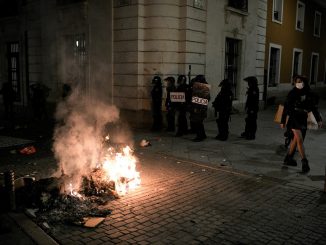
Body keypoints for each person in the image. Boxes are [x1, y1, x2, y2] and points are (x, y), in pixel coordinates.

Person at [280, 75, 322, 173]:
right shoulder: (292, 93)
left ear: (304, 82)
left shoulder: (308, 93)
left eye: (300, 81)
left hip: (303, 118)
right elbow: (286, 107)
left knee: (296, 140)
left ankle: (288, 158)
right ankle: (305, 162)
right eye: (297, 81)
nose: (298, 83)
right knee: (299, 140)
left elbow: (313, 107)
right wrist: (283, 121)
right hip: (294, 118)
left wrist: (318, 119)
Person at [190, 75, 210, 142]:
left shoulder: (204, 88)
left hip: (200, 108)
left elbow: (205, 99)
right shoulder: (200, 87)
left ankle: (200, 136)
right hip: (198, 107)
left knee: (198, 122)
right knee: (199, 122)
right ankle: (203, 135)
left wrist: (196, 105)